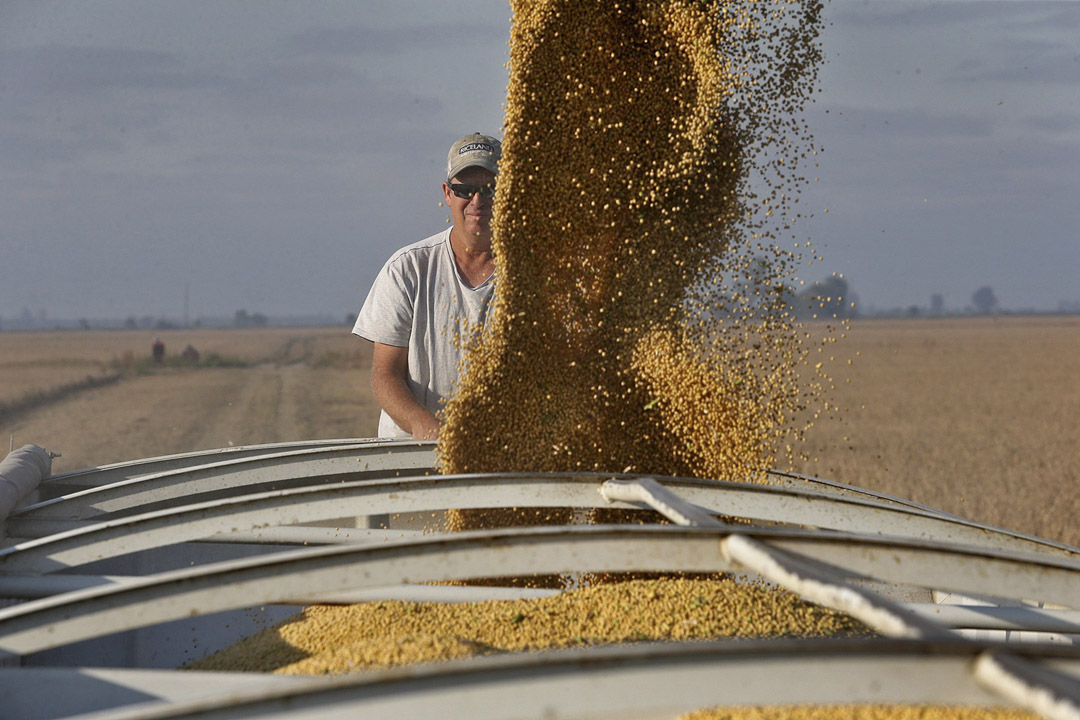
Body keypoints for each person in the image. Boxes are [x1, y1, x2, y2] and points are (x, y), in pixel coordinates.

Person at [352, 133, 500, 440]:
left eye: (489, 189)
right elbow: (385, 374)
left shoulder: (534, 277)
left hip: (501, 457)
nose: (477, 201)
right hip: (411, 459)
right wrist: (422, 424)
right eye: (465, 190)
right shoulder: (408, 268)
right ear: (447, 194)